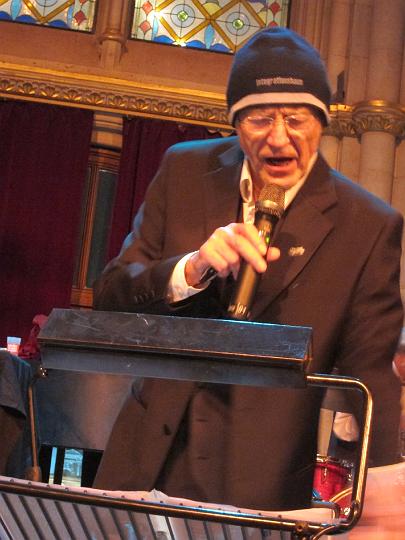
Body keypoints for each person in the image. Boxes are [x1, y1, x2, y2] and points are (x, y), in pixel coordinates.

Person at [92, 27, 403, 511]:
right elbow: (111, 294)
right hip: (145, 458)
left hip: (263, 482)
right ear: (236, 123)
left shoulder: (367, 224)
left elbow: (370, 381)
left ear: (322, 122)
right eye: (260, 119)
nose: (279, 138)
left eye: (296, 119)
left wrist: (383, 501)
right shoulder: (184, 171)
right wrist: (191, 269)